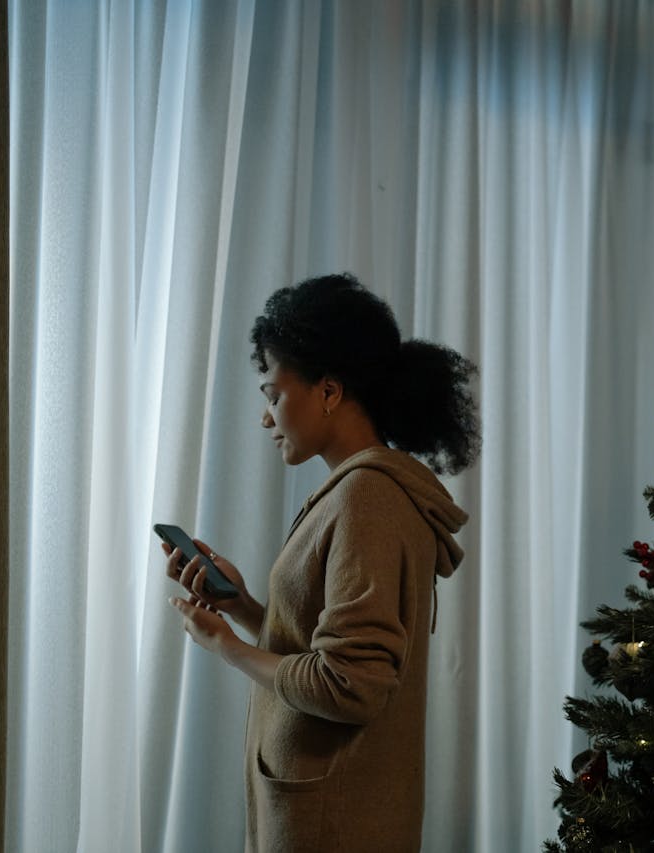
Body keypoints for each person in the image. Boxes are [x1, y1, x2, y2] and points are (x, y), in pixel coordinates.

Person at [163, 273, 479, 853]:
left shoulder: (366, 500)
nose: (266, 419)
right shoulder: (358, 493)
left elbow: (349, 685)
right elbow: (327, 649)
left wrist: (224, 646)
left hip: (335, 825)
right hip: (333, 813)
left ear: (328, 391)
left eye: (273, 395)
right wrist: (244, 608)